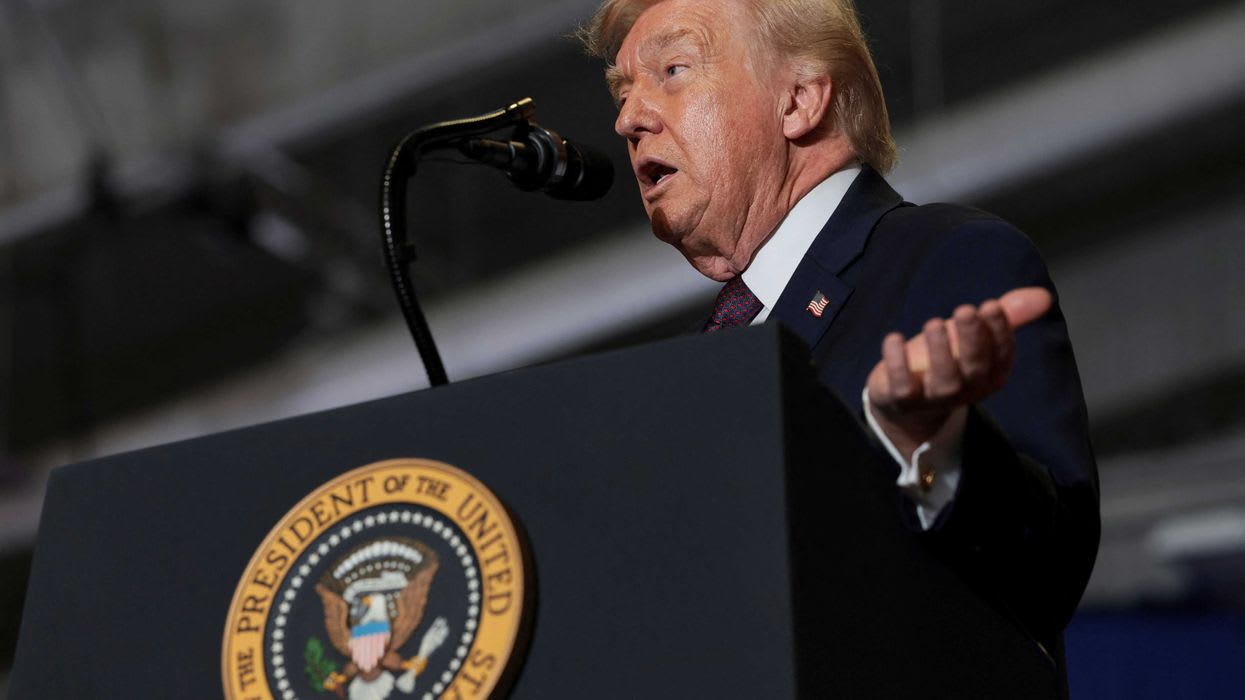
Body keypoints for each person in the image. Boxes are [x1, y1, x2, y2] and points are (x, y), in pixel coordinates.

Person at [579, 0, 1100, 689]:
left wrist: (933, 440)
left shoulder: (946, 257)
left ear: (798, 101)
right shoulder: (693, 362)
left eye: (672, 70)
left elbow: (1049, 569)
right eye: (622, 91)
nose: (627, 118)